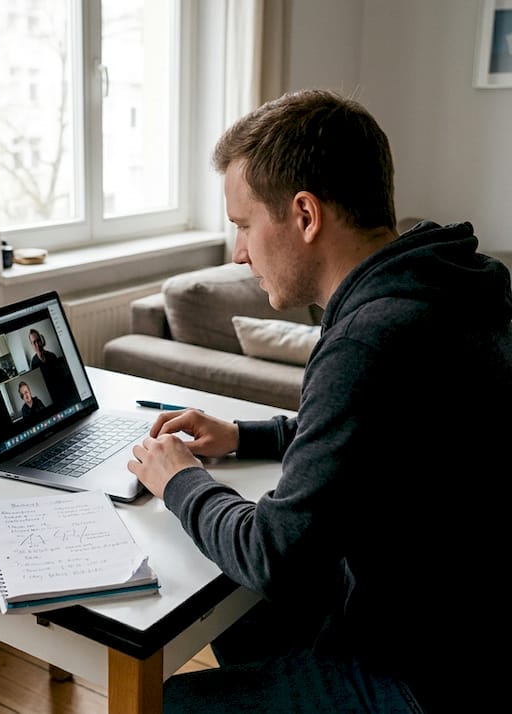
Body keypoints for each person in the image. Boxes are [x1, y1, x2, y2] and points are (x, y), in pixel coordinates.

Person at [127, 89, 511, 713]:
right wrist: (244, 436)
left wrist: (180, 480)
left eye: (244, 225)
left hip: (426, 675)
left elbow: (274, 556)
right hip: (462, 625)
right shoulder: (441, 288)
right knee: (245, 618)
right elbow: (371, 431)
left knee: (169, 702)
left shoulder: (370, 338)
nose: (240, 253)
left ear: (305, 215)